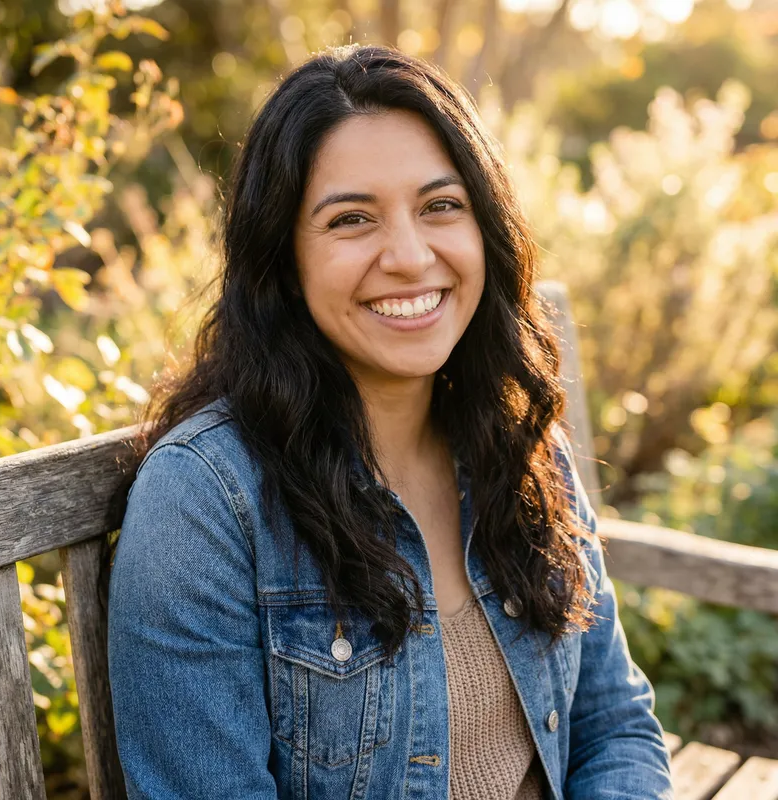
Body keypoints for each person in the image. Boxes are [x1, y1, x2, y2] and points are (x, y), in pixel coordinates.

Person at [107, 43, 674, 800]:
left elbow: (615, 727)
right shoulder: (206, 503)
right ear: (283, 262)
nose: (409, 256)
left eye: (441, 206)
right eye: (352, 219)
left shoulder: (517, 444)